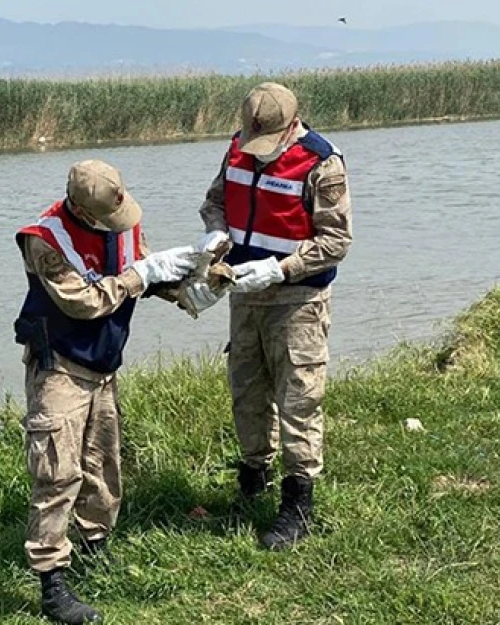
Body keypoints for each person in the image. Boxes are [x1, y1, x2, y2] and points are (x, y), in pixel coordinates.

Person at [14, 159, 197, 623]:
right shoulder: (45, 240)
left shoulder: (121, 221)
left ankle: (96, 546)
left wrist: (195, 283)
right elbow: (84, 302)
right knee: (56, 472)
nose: (121, 225)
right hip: (60, 367)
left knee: (102, 461)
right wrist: (143, 276)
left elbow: (145, 271)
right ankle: (52, 584)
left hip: (103, 366)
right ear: (80, 207)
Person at [183, 82, 353, 550]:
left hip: (298, 301)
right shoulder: (237, 148)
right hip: (242, 294)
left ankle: (298, 505)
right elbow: (214, 201)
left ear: (290, 127)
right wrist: (216, 236)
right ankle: (252, 484)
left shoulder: (322, 163)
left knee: (299, 397)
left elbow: (336, 242)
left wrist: (281, 268)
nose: (256, 152)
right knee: (246, 390)